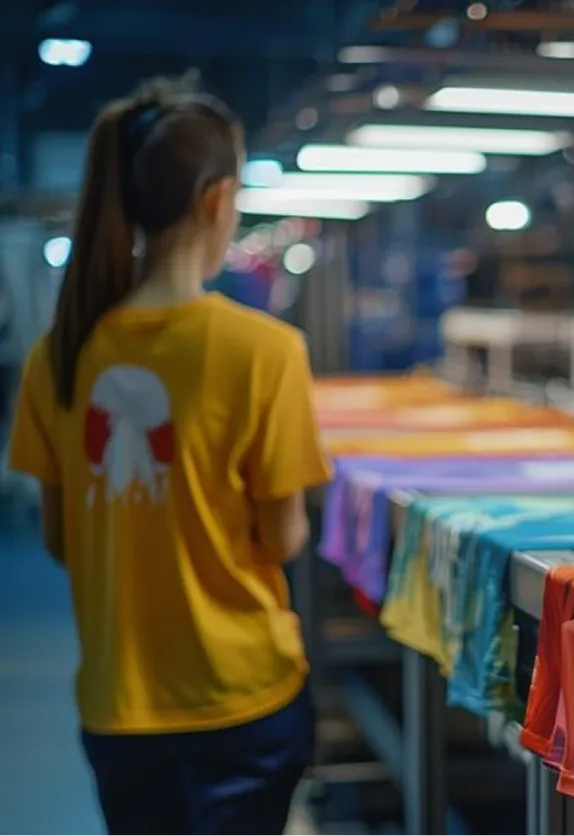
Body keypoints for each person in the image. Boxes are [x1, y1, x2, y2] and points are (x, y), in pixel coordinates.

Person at [7, 76, 332, 836]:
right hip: (243, 699)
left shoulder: (58, 357)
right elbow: (283, 538)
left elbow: (63, 541)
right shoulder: (266, 352)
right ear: (218, 201)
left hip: (121, 707)